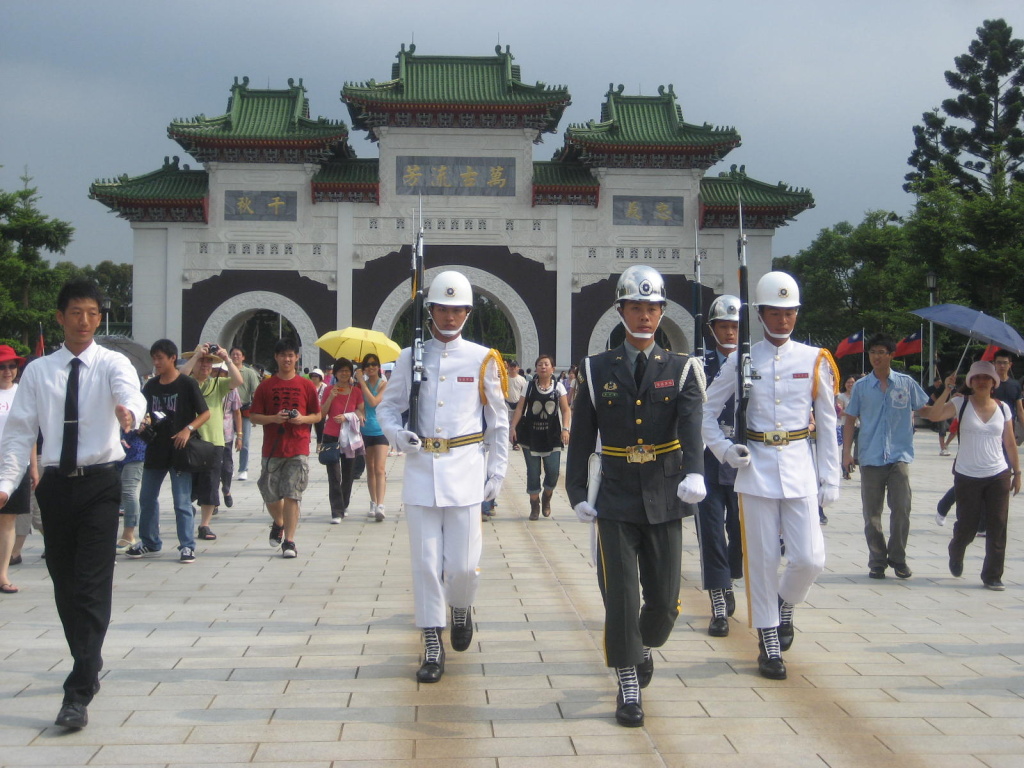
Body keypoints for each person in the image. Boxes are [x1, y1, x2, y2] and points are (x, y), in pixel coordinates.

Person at [0, 279, 146, 729]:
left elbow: (131, 394)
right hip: (57, 486)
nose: (85, 321)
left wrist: (130, 414)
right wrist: (5, 484)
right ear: (61, 317)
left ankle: (77, 692)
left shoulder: (112, 363)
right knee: (65, 587)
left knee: (91, 583)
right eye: (76, 313)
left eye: (93, 313)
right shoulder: (40, 372)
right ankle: (89, 657)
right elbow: (20, 432)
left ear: (100, 318)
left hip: (102, 484)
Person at [566, 264, 706, 727]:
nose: (644, 316)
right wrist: (577, 490)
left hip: (665, 492)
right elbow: (583, 435)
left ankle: (644, 645)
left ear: (662, 312)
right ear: (620, 310)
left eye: (652, 308)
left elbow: (691, 427)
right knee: (621, 595)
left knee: (665, 601)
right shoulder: (596, 367)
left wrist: (695, 474)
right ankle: (628, 681)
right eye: (635, 307)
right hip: (617, 493)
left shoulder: (682, 368)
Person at [703, 271, 840, 682]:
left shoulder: (814, 359)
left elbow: (830, 422)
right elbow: (706, 412)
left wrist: (829, 478)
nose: (783, 320)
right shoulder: (741, 359)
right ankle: (768, 641)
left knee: (810, 558)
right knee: (761, 561)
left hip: (799, 466)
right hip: (757, 468)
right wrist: (725, 450)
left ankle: (784, 603)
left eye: (790, 313)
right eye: (775, 313)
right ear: (760, 314)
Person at [378, 270, 509, 684]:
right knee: (426, 563)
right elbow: (387, 407)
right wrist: (398, 434)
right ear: (430, 310)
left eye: (457, 310)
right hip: (420, 470)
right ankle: (432, 642)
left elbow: (499, 421)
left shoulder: (483, 358)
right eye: (442, 309)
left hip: (466, 470)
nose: (450, 317)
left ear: (468, 312)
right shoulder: (408, 357)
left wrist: (498, 470)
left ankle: (460, 607)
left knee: (465, 567)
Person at [920, 361, 1020, 589]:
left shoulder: (1003, 407)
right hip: (967, 475)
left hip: (998, 473)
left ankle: (992, 576)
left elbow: (1011, 443)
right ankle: (956, 549)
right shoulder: (960, 403)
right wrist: (946, 389)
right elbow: (935, 417)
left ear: (994, 382)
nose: (982, 382)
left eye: (987, 378)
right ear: (971, 382)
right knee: (967, 526)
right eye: (977, 378)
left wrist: (1017, 471)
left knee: (998, 524)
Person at [841, 333, 929, 580]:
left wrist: (949, 393)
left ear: (891, 355)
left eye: (881, 352)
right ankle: (877, 560)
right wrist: (846, 453)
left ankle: (898, 558)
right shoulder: (860, 387)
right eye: (873, 352)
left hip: (899, 457)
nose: (876, 357)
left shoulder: (905, 383)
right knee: (872, 514)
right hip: (870, 457)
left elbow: (927, 409)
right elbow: (850, 421)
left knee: (901, 509)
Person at [126, 340, 210, 563]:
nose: (156, 363)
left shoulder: (187, 384)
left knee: (181, 501)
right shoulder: (151, 386)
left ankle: (187, 545)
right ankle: (150, 541)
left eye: (160, 358)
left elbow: (204, 413)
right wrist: (143, 423)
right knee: (147, 498)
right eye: (154, 358)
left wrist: (187, 429)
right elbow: (143, 412)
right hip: (155, 450)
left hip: (180, 450)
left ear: (172, 358)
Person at [695, 295, 744, 637]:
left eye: (735, 326)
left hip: (743, 458)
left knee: (741, 531)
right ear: (712, 329)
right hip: (708, 457)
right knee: (711, 531)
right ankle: (718, 602)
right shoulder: (697, 365)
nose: (729, 332)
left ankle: (730, 577)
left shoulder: (753, 363)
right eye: (724, 326)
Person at [250, 338, 321, 558]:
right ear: (276, 357)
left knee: (292, 494)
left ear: (297, 358)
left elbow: (317, 415)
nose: (287, 359)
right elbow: (253, 415)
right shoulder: (266, 386)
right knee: (269, 492)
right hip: (272, 448)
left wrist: (301, 419)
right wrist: (273, 418)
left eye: (291, 355)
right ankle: (279, 522)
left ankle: (289, 541)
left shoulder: (306, 385)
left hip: (298, 446)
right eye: (283, 355)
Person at [181, 343, 243, 541]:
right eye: (202, 361)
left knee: (210, 484)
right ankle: (186, 514)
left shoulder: (217, 384)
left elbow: (238, 380)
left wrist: (227, 359)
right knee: (187, 484)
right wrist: (196, 354)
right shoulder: (188, 384)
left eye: (209, 361)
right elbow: (180, 377)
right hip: (190, 441)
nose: (205, 365)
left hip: (214, 442)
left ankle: (205, 525)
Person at [510, 354, 571, 520]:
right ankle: (534, 505)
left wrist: (565, 429)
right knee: (533, 472)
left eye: (546, 364)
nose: (543, 367)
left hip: (552, 436)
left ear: (553, 368)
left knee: (553, 472)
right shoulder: (529, 386)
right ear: (536, 368)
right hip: (531, 436)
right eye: (540, 364)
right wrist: (513, 426)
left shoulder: (559, 387)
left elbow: (566, 409)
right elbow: (520, 408)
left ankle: (547, 497)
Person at [0, 345, 34, 593]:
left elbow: (29, 432)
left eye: (12, 366)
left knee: (8, 520)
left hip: (15, 464)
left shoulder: (23, 394)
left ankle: (2, 574)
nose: (8, 371)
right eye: (2, 367)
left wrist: (34, 467)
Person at [320, 358, 365, 522]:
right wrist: (331, 397)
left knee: (348, 474)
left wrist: (347, 417)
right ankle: (336, 511)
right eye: (341, 371)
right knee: (334, 475)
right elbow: (322, 414)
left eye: (347, 370)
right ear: (336, 373)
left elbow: (361, 414)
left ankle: (344, 504)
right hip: (331, 435)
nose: (344, 374)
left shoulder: (356, 391)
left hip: (349, 437)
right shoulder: (329, 390)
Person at [357, 353, 390, 521]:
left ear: (378, 367)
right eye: (367, 365)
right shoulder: (358, 386)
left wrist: (361, 382)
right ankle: (373, 501)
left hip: (380, 431)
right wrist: (358, 412)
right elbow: (358, 405)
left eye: (374, 364)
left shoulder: (384, 384)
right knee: (369, 468)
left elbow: (374, 402)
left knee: (380, 468)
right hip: (365, 430)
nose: (371, 367)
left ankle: (381, 504)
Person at [230, 345, 262, 481]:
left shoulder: (249, 373)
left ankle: (243, 469)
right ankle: (228, 467)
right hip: (228, 411)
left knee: (245, 441)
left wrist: (255, 412)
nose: (236, 356)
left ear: (243, 357)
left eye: (238, 354)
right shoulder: (225, 371)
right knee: (226, 441)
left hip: (244, 410)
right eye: (233, 354)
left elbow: (255, 393)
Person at [115, 428, 146, 553]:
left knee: (128, 491)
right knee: (117, 492)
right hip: (114, 452)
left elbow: (145, 423)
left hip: (135, 451)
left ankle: (129, 535)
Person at [926, 375, 952, 456]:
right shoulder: (942, 387)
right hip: (941, 410)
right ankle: (942, 448)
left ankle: (946, 444)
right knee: (942, 429)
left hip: (951, 409)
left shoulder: (957, 386)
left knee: (955, 428)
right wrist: (939, 404)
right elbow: (932, 396)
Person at [505, 360, 527, 449]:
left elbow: (524, 393)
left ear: (517, 368)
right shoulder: (504, 378)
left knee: (516, 424)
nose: (512, 369)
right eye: (511, 367)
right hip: (506, 403)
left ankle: (515, 442)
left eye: (514, 367)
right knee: (507, 424)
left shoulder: (521, 380)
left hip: (518, 404)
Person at [309, 368, 327, 448]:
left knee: (320, 428)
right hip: (309, 410)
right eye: (313, 376)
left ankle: (319, 445)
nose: (314, 377)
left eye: (316, 376)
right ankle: (306, 443)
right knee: (307, 428)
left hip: (320, 410)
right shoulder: (309, 385)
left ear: (320, 377)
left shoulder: (325, 387)